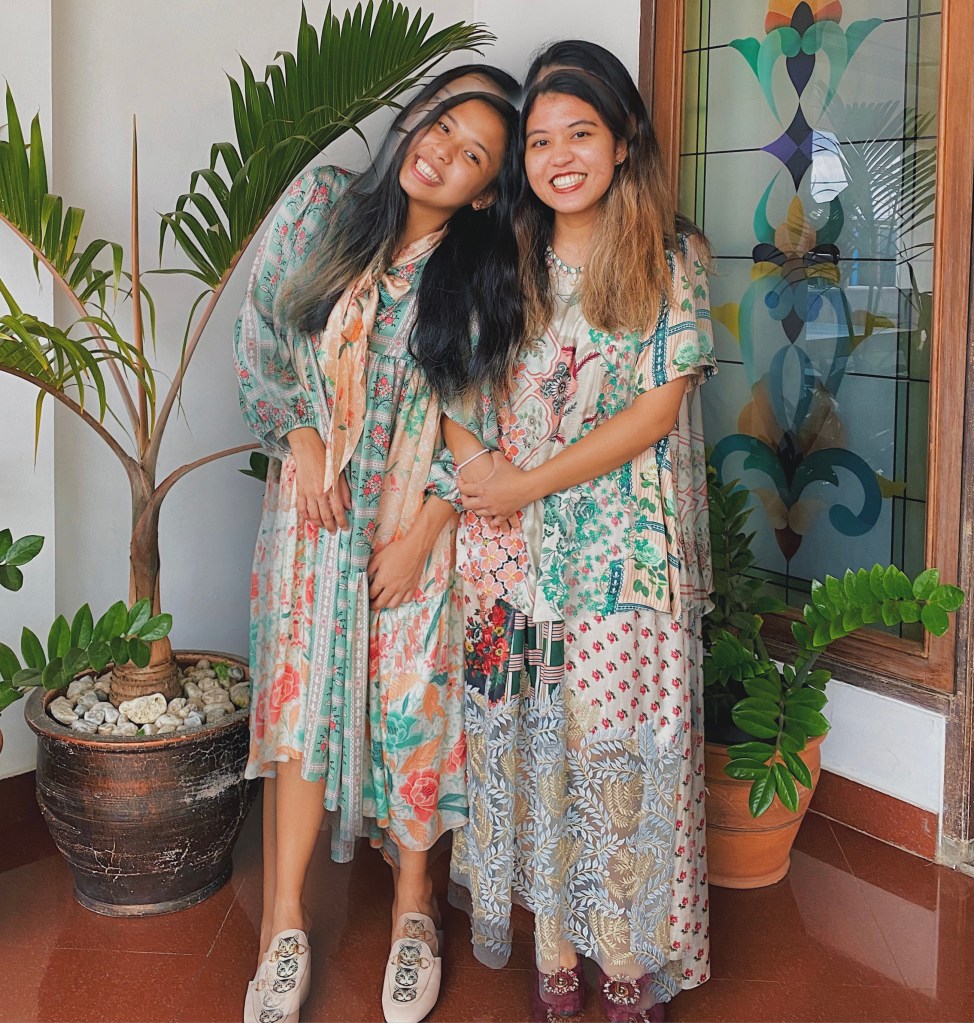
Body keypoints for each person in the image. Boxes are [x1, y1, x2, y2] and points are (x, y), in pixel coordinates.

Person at [233, 75, 522, 1023]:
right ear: (414, 120)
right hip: (313, 515)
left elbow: (477, 419)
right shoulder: (322, 207)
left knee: (415, 713)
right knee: (304, 706)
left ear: (484, 191)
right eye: (441, 124)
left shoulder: (475, 280)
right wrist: (303, 437)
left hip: (413, 528)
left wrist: (427, 529)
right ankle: (283, 930)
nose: (442, 151)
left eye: (473, 153)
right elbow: (265, 329)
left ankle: (413, 916)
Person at [440, 64, 716, 1023]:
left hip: (617, 558)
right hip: (506, 564)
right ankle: (553, 947)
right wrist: (485, 473)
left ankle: (625, 955)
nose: (559, 157)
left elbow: (655, 412)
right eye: (540, 141)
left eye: (581, 134)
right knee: (529, 754)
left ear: (623, 140)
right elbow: (456, 394)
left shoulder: (671, 257)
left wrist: (528, 482)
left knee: (613, 752)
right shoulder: (499, 256)